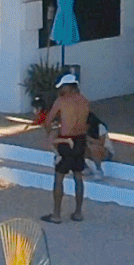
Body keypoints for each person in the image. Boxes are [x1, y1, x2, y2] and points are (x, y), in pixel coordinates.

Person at [45, 72, 92, 223]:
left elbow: (48, 121)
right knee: (78, 176)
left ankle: (56, 214)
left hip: (66, 140)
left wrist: (53, 133)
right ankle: (78, 213)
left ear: (68, 87)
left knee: (59, 176)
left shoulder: (61, 101)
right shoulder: (85, 101)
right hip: (80, 140)